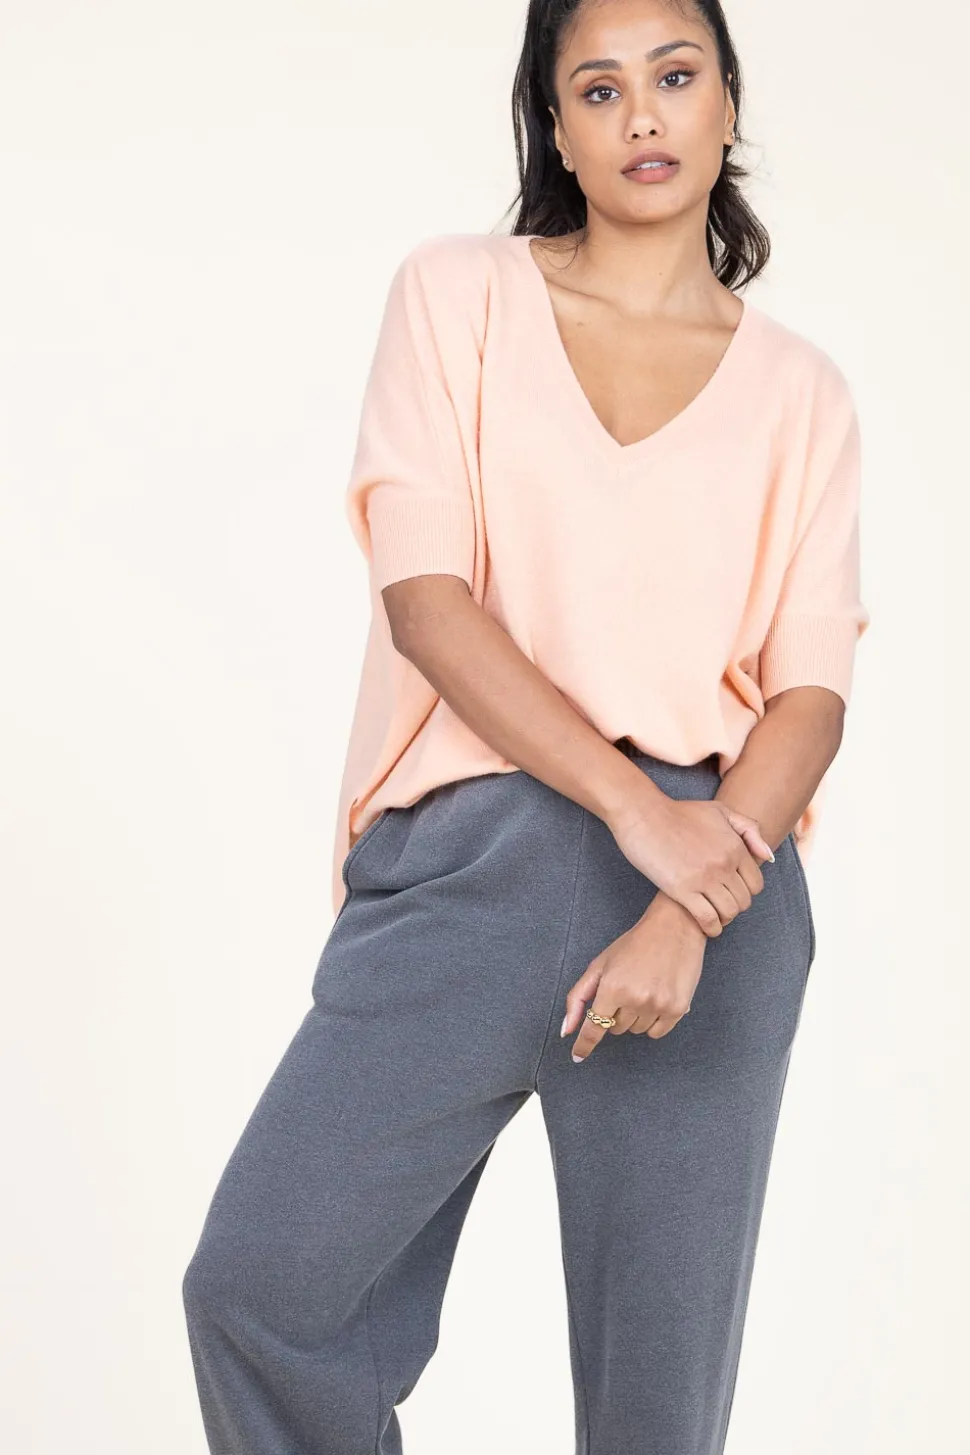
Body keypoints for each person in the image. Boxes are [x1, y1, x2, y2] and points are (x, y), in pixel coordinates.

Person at [181, 1, 870, 1452]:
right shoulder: (460, 298)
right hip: (477, 857)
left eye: (674, 76)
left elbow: (809, 694)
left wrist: (690, 895)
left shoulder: (802, 394)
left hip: (716, 891)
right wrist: (636, 817)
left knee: (654, 1415)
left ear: (727, 103)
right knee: (261, 1291)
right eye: (597, 89)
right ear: (554, 127)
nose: (642, 115)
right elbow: (427, 602)